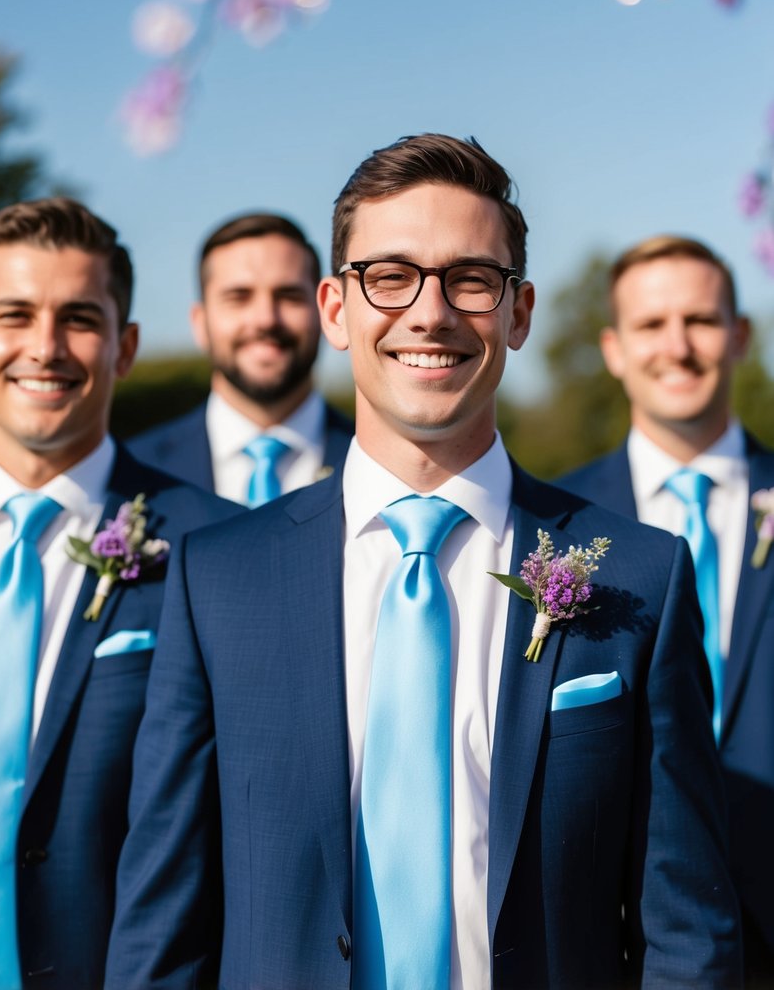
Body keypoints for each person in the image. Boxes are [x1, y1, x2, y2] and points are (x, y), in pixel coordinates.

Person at [106, 137, 741, 988]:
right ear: (335, 309)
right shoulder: (216, 579)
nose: (430, 312)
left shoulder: (642, 573)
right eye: (390, 276)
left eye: (471, 279)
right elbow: (161, 927)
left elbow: (686, 930)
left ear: (517, 313)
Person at [0, 199, 239, 989]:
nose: (44, 347)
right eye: (15, 315)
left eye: (78, 318)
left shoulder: (222, 551)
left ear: (125, 345)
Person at [559, 233, 774, 986]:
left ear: (740, 336)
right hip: (618, 942)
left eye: (701, 321)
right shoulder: (554, 528)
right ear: (614, 348)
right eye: (651, 325)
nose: (676, 347)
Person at [129, 212, 353, 504]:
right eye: (239, 297)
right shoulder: (133, 472)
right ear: (200, 323)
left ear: (326, 312)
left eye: (289, 296)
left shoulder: (378, 463)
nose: (265, 320)